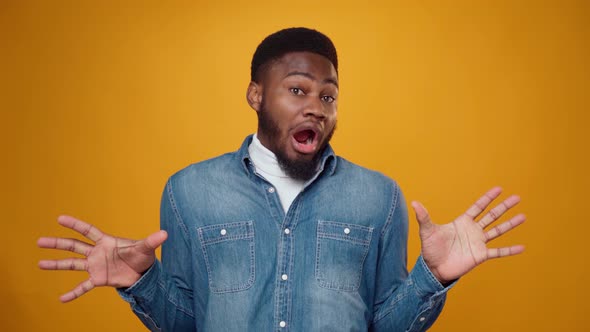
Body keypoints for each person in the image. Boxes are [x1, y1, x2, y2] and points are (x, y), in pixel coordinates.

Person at [38, 27, 525, 331]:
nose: (316, 105)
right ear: (255, 95)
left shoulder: (380, 197)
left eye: (328, 96)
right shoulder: (187, 192)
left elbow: (385, 325)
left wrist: (434, 277)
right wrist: (142, 282)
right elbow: (187, 324)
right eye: (296, 90)